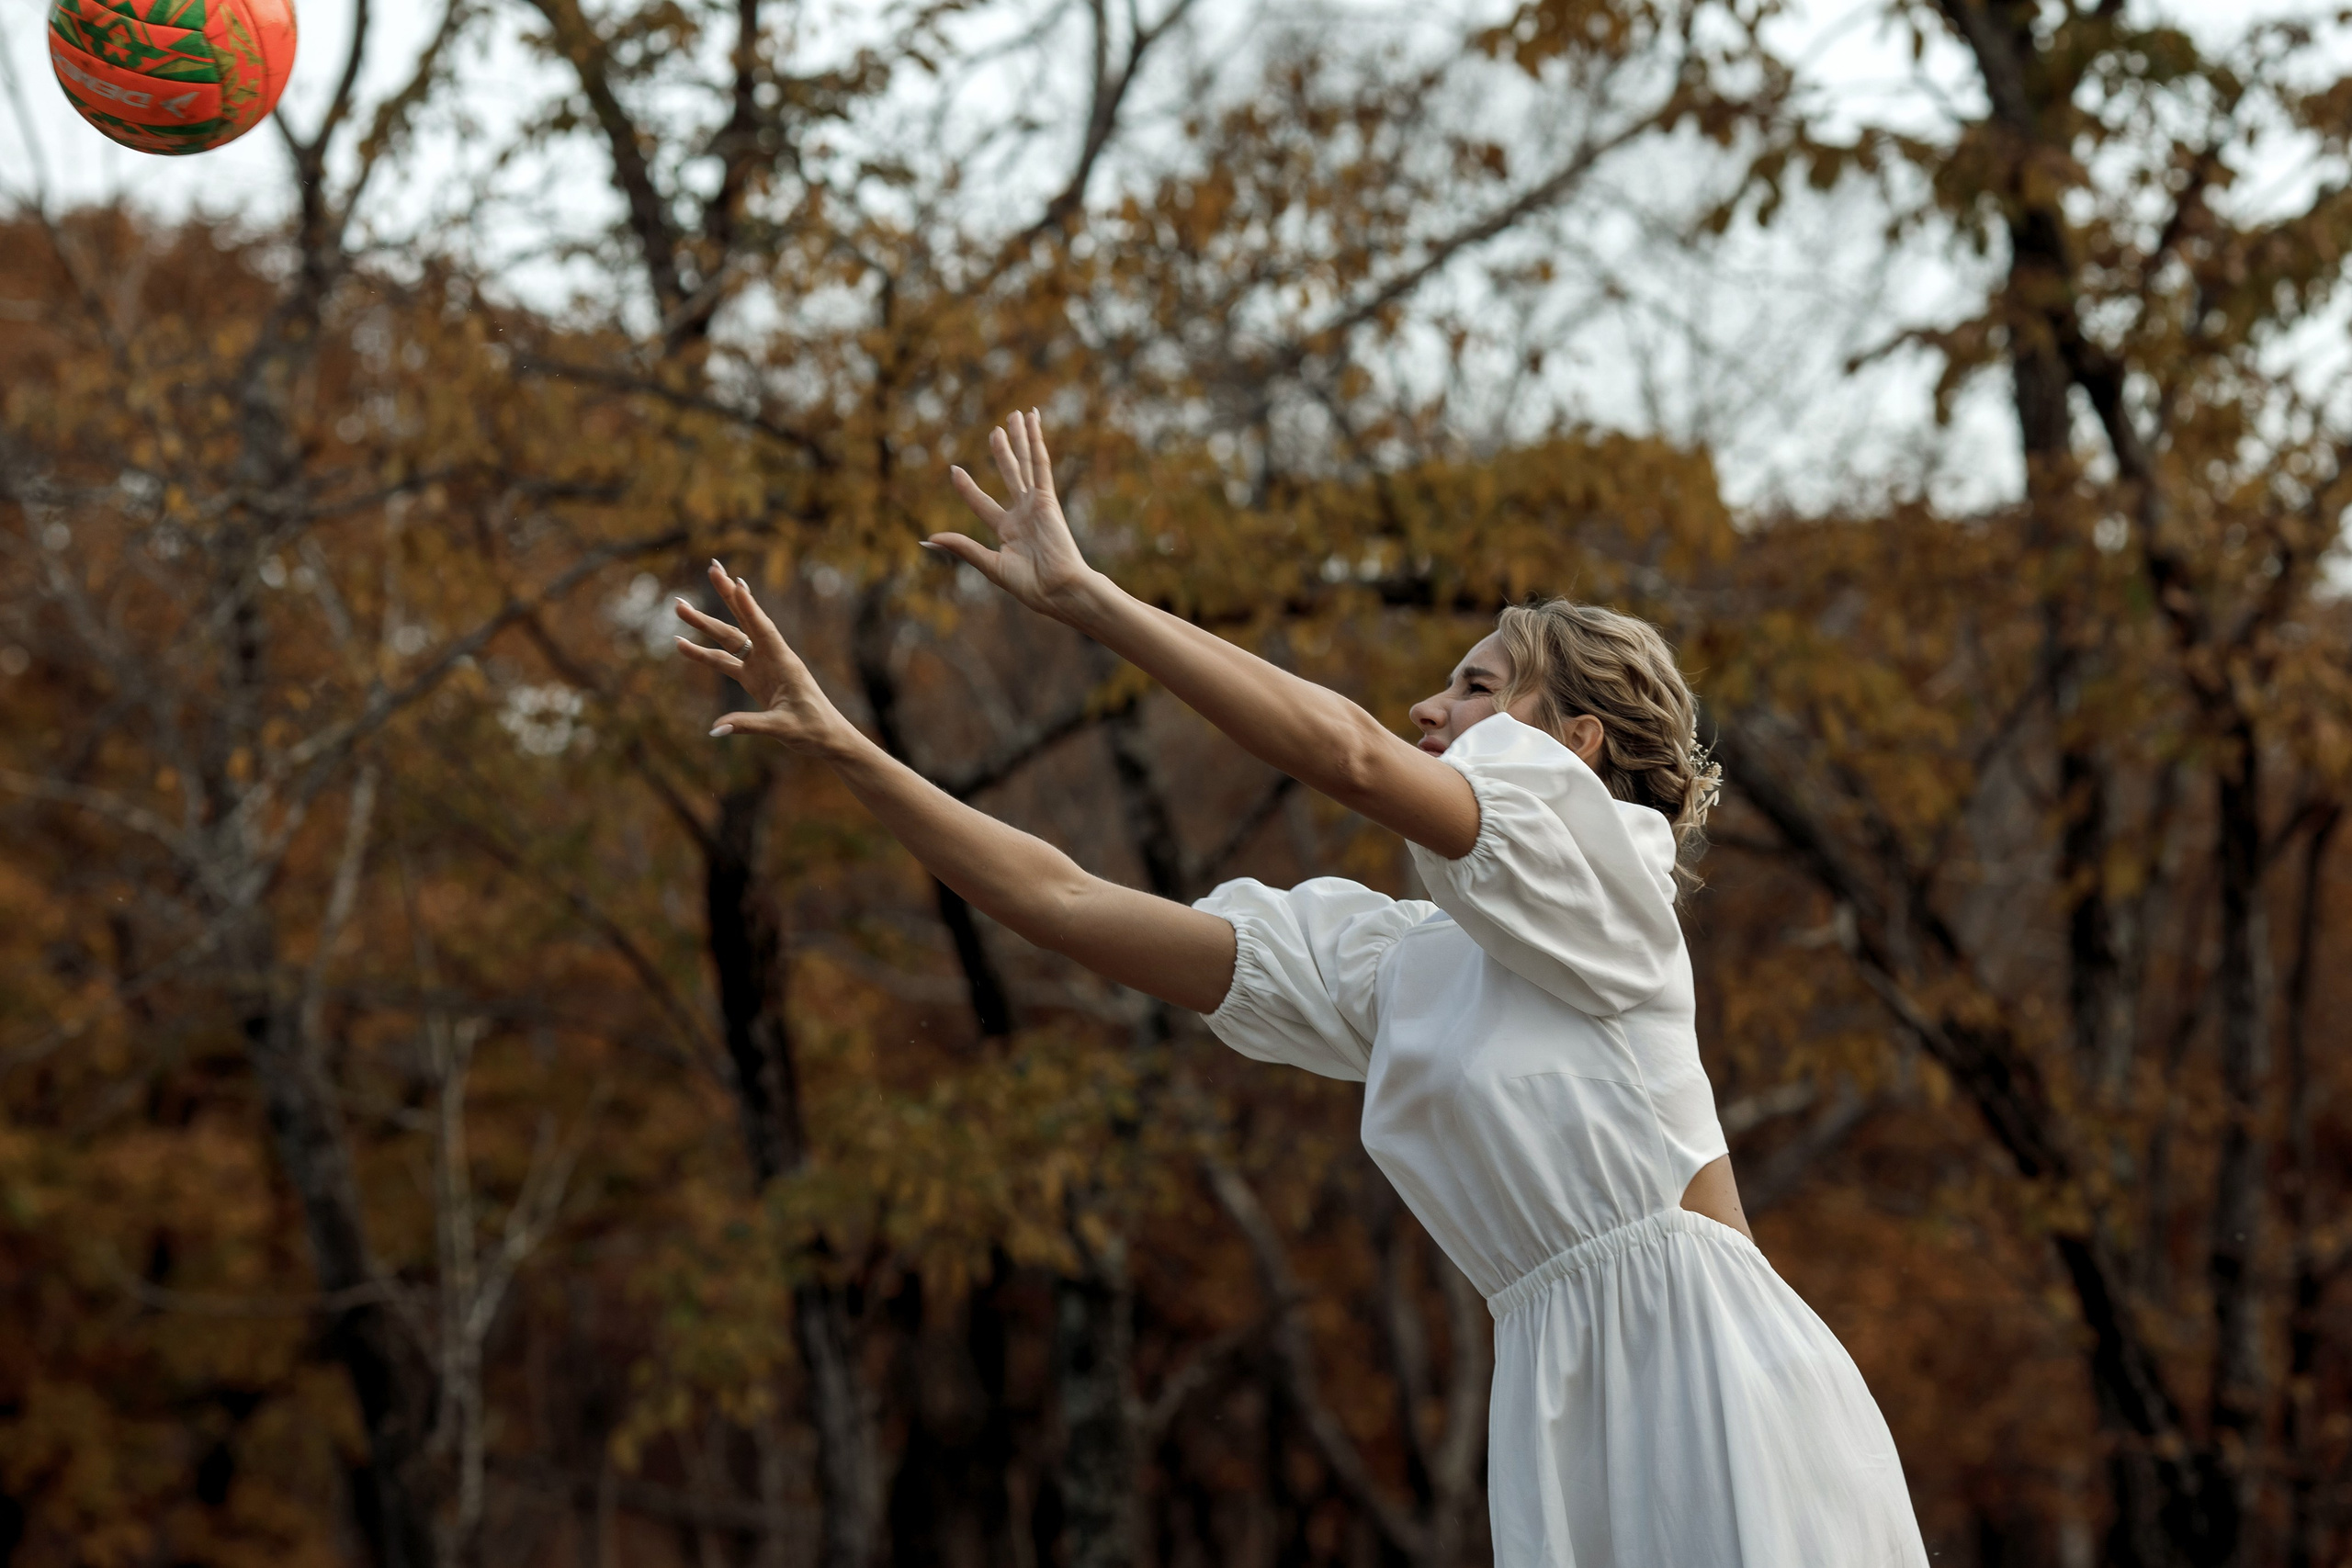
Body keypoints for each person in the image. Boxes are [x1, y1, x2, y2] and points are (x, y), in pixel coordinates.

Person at [673, 412, 1931, 1566]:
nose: (1433, 705)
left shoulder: (1614, 890)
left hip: (1711, 1373)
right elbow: (1057, 900)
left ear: (1576, 744)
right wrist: (846, 745)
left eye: (1479, 684)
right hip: (1558, 1393)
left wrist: (1092, 599)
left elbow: (1347, 753)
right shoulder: (1403, 967)